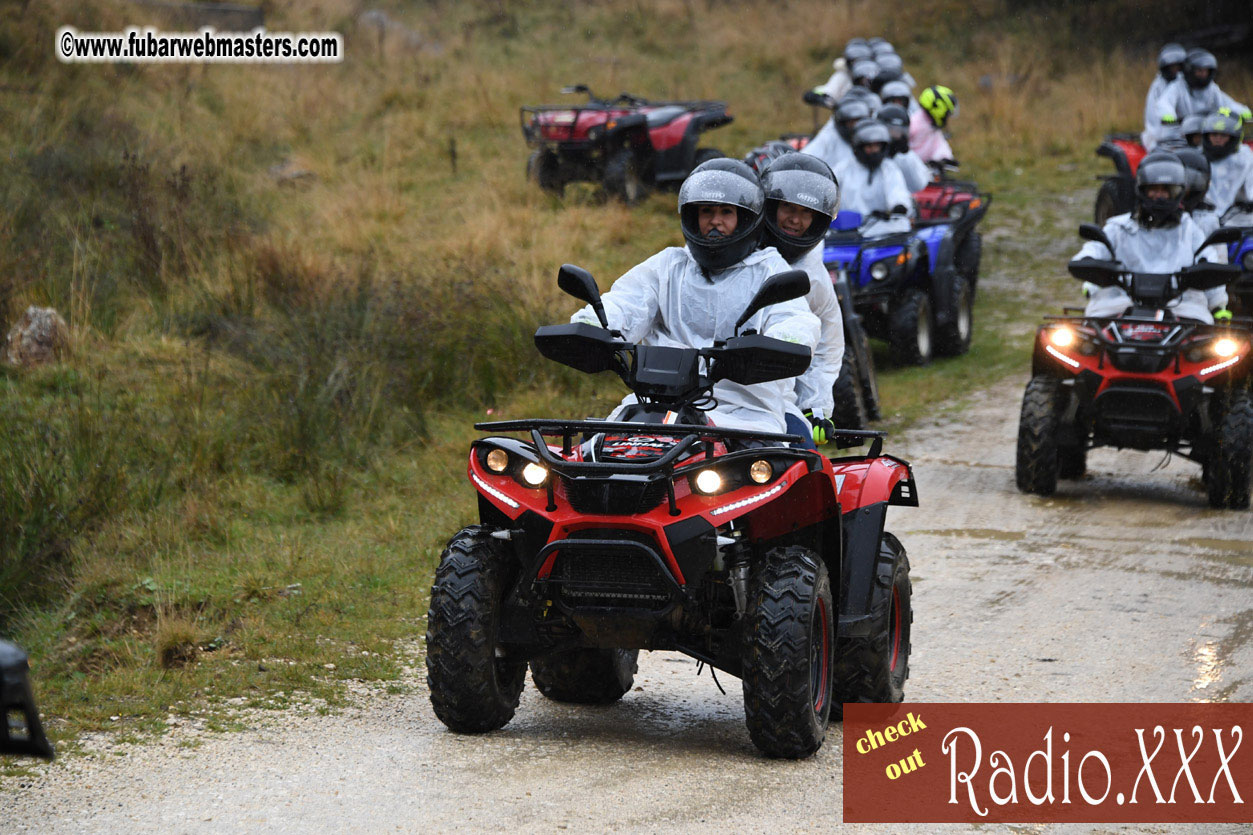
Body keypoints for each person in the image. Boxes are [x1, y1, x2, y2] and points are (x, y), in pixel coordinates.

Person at [569, 159, 820, 435]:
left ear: (746, 219)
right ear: (692, 217)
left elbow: (794, 318)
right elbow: (626, 302)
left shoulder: (769, 269)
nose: (715, 220)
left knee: (778, 466)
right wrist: (593, 323)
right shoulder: (669, 265)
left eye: (726, 212)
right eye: (706, 211)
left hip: (743, 412)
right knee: (593, 447)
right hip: (655, 405)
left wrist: (784, 340)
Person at [755, 152, 846, 446]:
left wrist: (816, 406)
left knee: (806, 463)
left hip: (773, 399)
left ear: (819, 219)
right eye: (788, 208)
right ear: (770, 206)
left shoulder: (814, 277)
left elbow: (827, 345)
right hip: (701, 391)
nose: (795, 220)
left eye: (807, 213)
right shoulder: (735, 251)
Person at [1075, 153, 1223, 323]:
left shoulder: (1190, 230)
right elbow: (1095, 250)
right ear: (1142, 189)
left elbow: (1208, 259)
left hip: (1180, 308)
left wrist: (1218, 304)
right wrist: (1089, 263)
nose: (1159, 196)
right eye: (1153, 189)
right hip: (1120, 305)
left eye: (1165, 190)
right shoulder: (1118, 228)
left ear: (1177, 192)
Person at [1175, 146, 1231, 318]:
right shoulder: (1138, 220)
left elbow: (1214, 263)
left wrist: (1218, 304)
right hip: (1145, 295)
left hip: (1189, 296)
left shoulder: (1202, 224)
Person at [833, 119, 913, 236]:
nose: (874, 151)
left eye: (877, 146)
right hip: (845, 230)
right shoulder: (843, 169)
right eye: (869, 146)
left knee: (902, 225)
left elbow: (897, 191)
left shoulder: (889, 168)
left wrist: (898, 206)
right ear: (859, 147)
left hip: (879, 228)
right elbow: (828, 193)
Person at [1154, 50, 1251, 147]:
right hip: (1180, 136)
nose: (1203, 74)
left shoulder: (1212, 89)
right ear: (1190, 70)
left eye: (1206, 71)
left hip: (1206, 134)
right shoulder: (1177, 87)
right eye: (1199, 71)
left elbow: (1227, 104)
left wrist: (1242, 111)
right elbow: (1164, 103)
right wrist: (1167, 115)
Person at [1200, 111, 1253, 221]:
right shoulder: (1198, 158)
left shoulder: (1245, 159)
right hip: (1204, 217)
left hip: (1238, 218)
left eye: (1223, 135)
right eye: (1214, 134)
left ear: (1233, 137)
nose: (1218, 139)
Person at [803, 96, 872, 171]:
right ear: (843, 123)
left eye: (859, 121)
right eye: (851, 122)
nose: (855, 126)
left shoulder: (871, 141)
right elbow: (805, 159)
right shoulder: (828, 138)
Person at [1142, 43, 1187, 149]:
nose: (1176, 71)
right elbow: (1160, 115)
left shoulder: (1185, 84)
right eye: (1173, 67)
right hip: (1161, 137)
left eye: (1178, 67)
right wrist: (1172, 123)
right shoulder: (1158, 87)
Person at [879, 104, 931, 193]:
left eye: (900, 131)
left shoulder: (907, 156)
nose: (896, 136)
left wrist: (904, 157)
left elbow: (920, 185)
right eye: (892, 131)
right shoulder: (871, 153)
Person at [910, 85, 957, 165]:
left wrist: (945, 159)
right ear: (937, 107)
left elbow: (940, 145)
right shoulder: (913, 126)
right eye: (947, 113)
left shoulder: (932, 125)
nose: (947, 117)